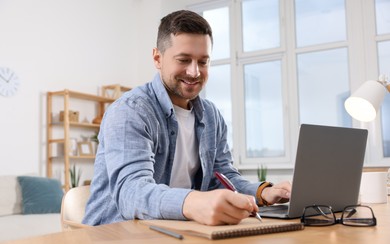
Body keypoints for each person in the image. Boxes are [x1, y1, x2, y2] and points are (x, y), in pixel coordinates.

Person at [83, 9, 291, 226]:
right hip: (113, 236)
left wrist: (263, 193)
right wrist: (194, 202)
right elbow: (131, 192)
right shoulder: (130, 112)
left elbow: (222, 178)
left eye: (203, 62)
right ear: (157, 58)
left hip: (173, 232)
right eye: (184, 60)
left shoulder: (211, 116)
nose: (194, 72)